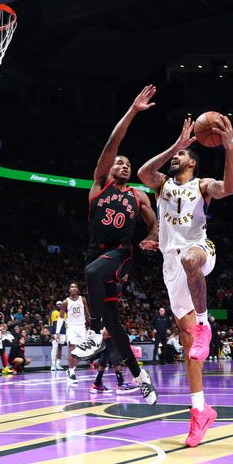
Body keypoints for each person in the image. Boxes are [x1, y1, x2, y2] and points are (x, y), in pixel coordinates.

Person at [137, 114, 233, 447]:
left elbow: (230, 188)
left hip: (199, 250)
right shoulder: (163, 185)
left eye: (182, 155)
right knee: (186, 341)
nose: (177, 158)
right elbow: (144, 173)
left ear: (192, 163)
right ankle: (200, 410)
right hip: (170, 264)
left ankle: (207, 324)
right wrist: (174, 146)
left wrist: (229, 147)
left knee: (189, 258)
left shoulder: (202, 185)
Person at [70, 85, 161, 406]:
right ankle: (141, 377)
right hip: (97, 251)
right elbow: (113, 143)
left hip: (120, 255)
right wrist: (133, 110)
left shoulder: (138, 196)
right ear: (108, 168)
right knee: (115, 324)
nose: (123, 165)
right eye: (118, 162)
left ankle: (93, 334)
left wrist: (153, 236)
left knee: (93, 273)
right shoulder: (99, 185)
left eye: (127, 163)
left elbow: (155, 223)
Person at [56, 283, 90, 383]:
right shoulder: (65, 302)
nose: (73, 288)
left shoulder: (82, 299)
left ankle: (71, 369)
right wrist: (57, 332)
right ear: (69, 290)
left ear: (78, 289)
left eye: (75, 287)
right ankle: (71, 372)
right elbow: (61, 317)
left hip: (82, 327)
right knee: (72, 348)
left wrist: (90, 326)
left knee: (81, 352)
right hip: (71, 327)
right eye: (71, 287)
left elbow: (87, 313)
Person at [49, 301, 66, 371]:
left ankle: (58, 364)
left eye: (60, 304)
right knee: (54, 347)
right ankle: (53, 365)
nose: (59, 305)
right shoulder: (53, 313)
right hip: (56, 333)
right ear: (56, 305)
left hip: (63, 333)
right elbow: (51, 323)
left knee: (60, 348)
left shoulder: (65, 313)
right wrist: (52, 333)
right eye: (58, 304)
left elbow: (66, 324)